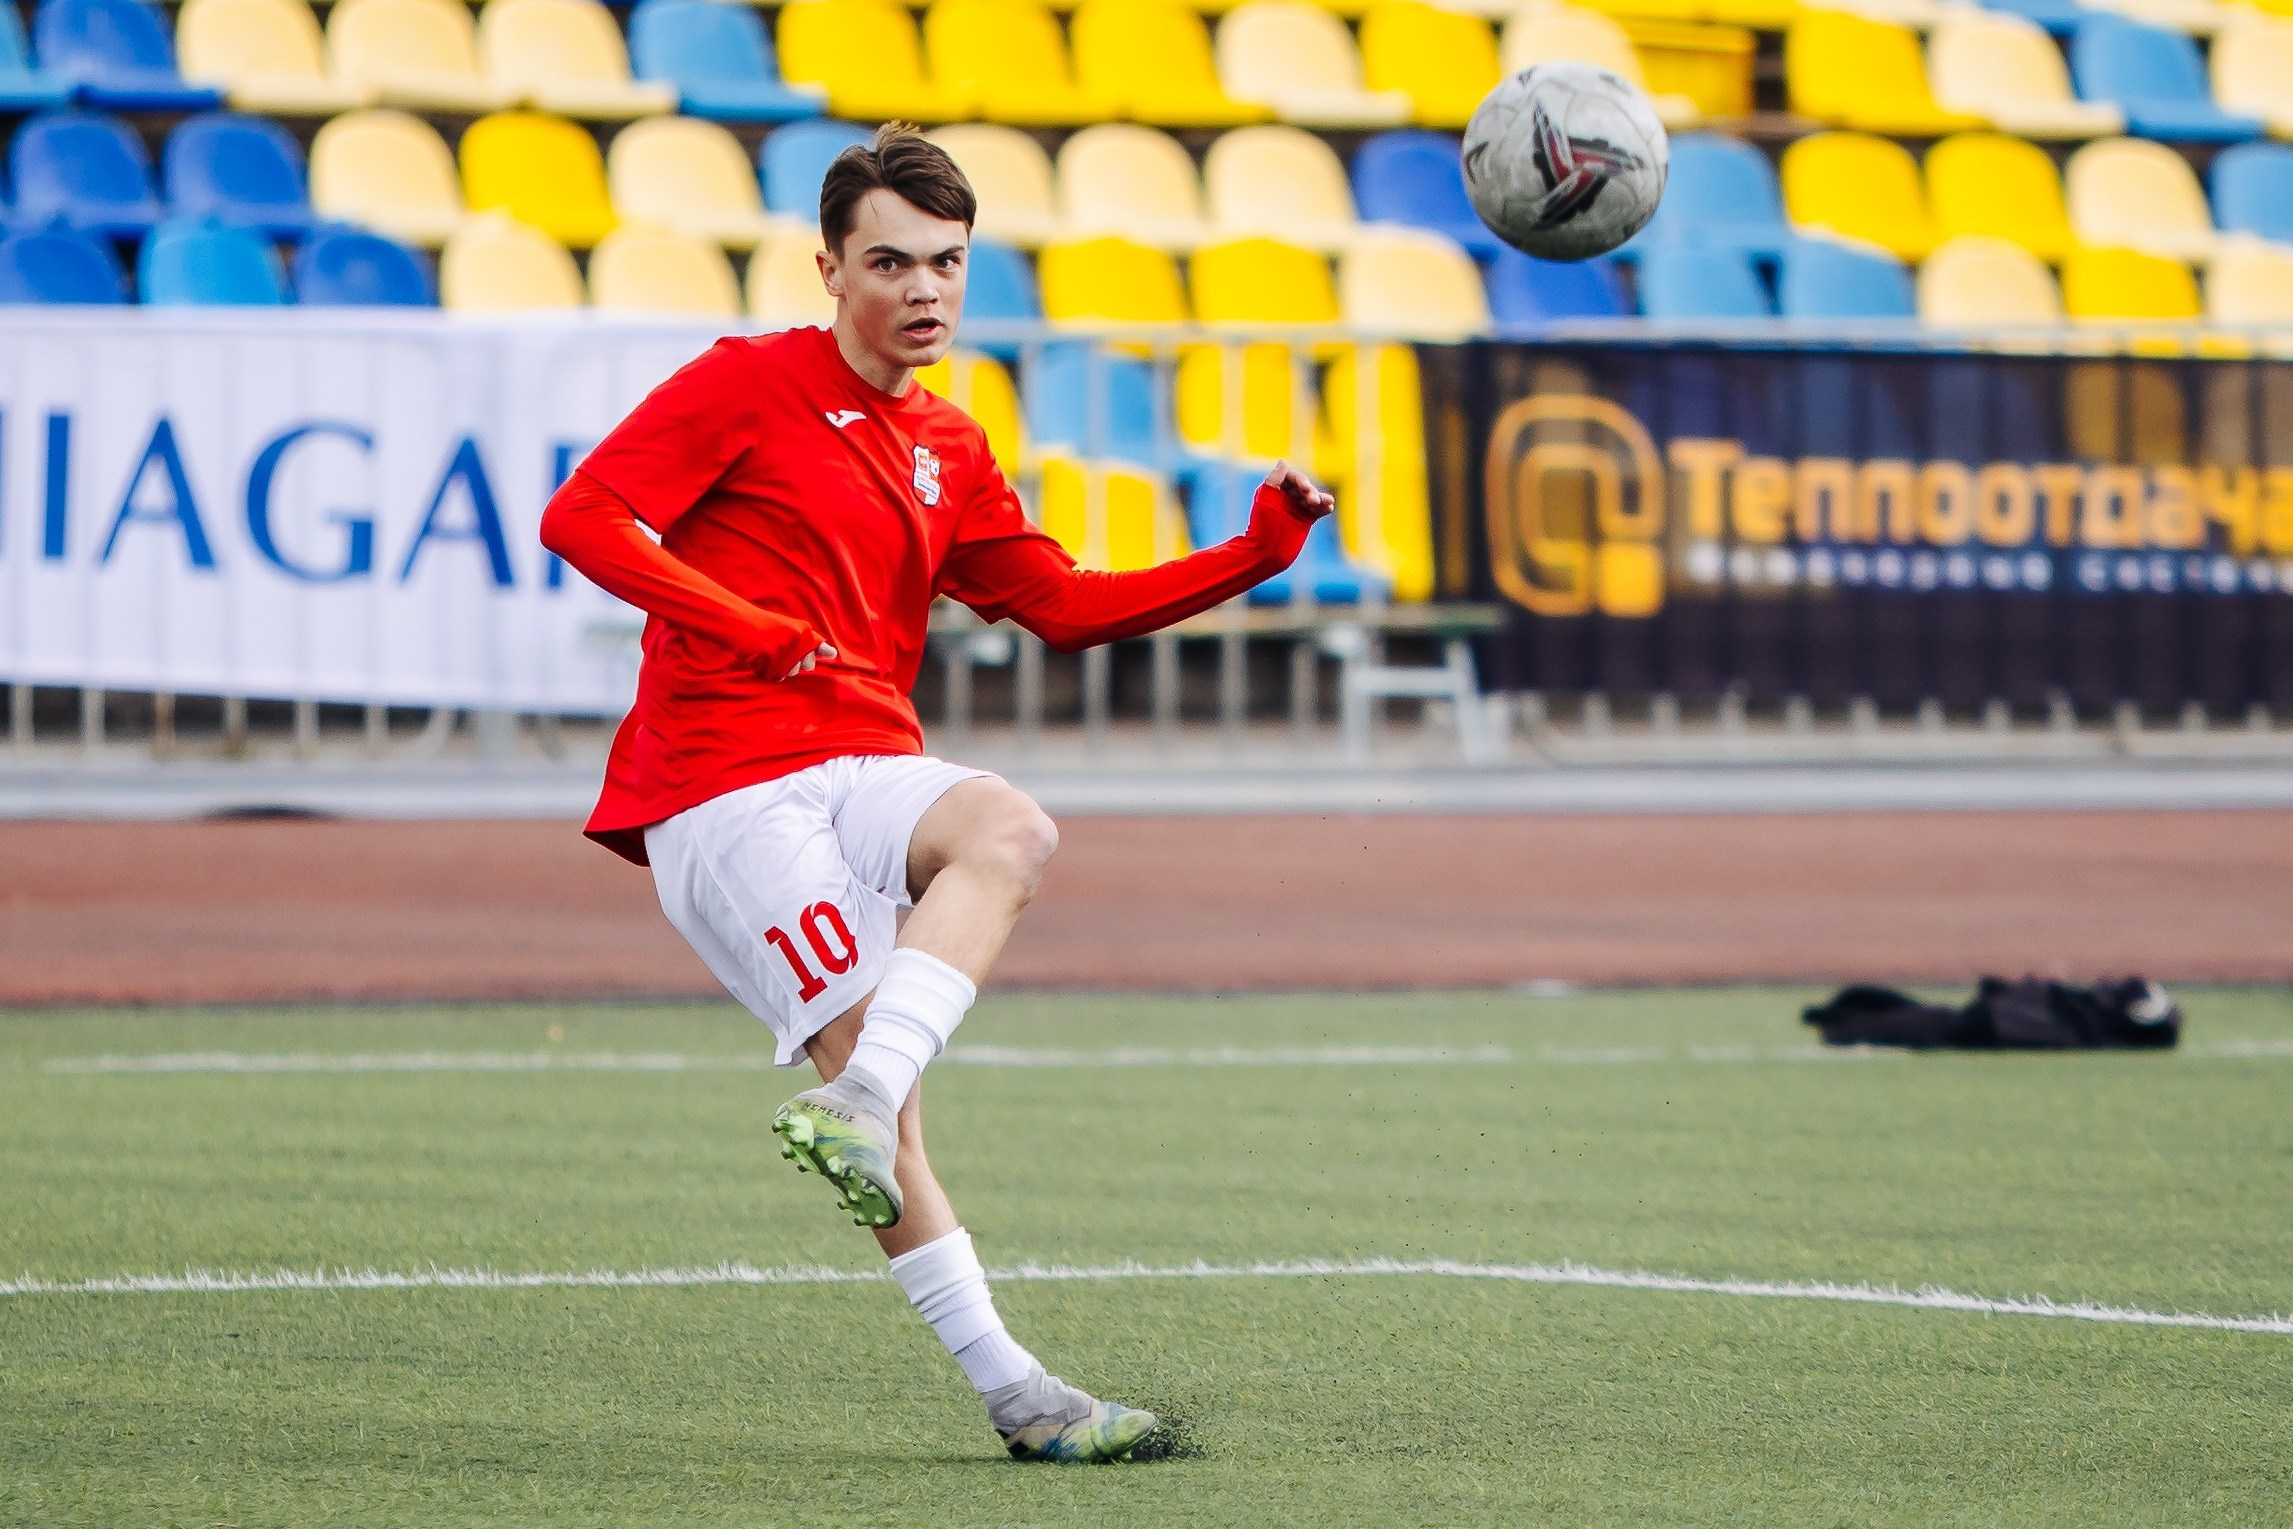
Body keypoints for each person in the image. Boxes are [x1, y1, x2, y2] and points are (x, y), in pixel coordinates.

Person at [537, 123, 1334, 1464]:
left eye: (947, 263)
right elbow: (583, 518)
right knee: (885, 1112)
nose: (924, 289)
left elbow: (1065, 607)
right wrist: (740, 621)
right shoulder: (743, 382)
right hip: (722, 788)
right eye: (891, 262)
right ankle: (1021, 1396)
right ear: (830, 270)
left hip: (860, 758)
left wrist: (1256, 552)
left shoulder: (948, 444)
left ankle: (862, 1104)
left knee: (1011, 829)